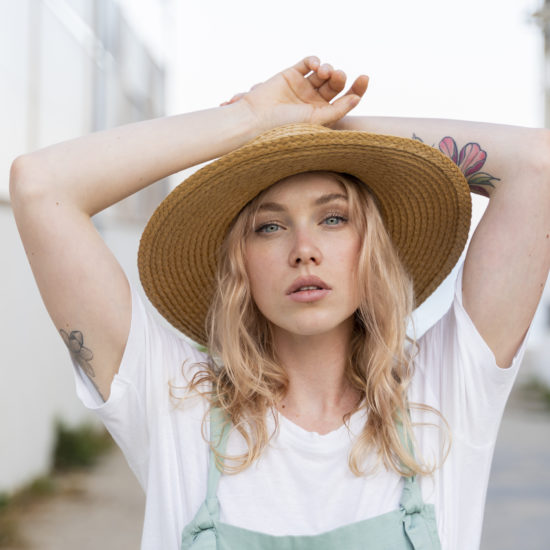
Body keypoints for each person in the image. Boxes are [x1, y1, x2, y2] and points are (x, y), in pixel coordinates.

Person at [9, 56, 550, 549]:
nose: (304, 250)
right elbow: (40, 185)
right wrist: (247, 121)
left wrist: (325, 128)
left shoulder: (445, 394)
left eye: (333, 217)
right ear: (240, 262)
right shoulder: (173, 404)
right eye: (270, 227)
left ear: (371, 249)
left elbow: (537, 163)